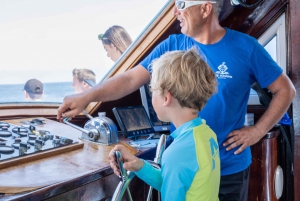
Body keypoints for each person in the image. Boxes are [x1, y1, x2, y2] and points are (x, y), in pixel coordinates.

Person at [57, 1, 296, 200]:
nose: (175, 12)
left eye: (181, 4)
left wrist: (257, 131)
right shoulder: (174, 46)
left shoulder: (246, 48)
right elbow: (130, 79)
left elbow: (286, 90)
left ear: (205, 9)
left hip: (229, 168)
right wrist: (87, 96)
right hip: (187, 162)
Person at [109, 48, 220, 200]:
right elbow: (174, 183)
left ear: (166, 97)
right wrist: (139, 165)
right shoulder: (206, 134)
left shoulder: (177, 153)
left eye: (152, 90)